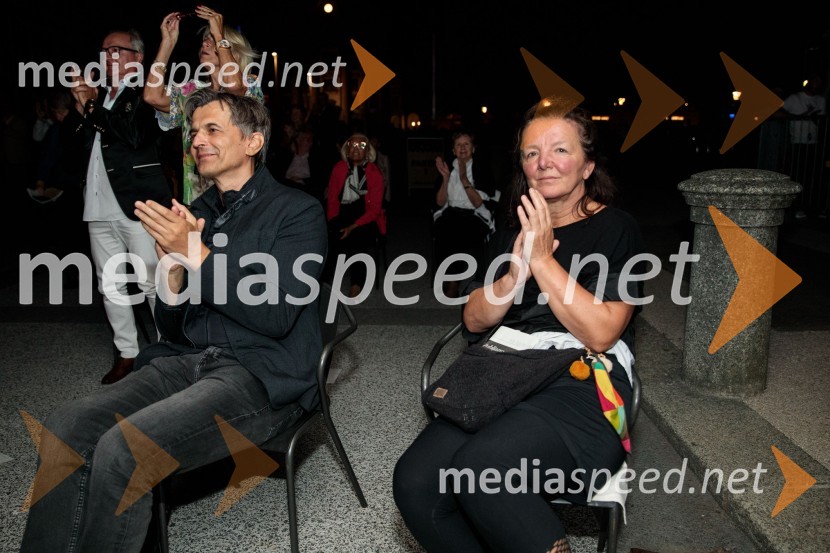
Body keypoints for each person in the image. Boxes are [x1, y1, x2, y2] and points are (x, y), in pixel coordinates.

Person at [20, 89, 327, 553]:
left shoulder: (297, 212)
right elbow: (171, 321)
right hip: (185, 360)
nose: (196, 141)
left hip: (259, 373)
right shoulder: (196, 214)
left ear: (252, 142)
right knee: (67, 426)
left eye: (211, 129)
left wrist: (196, 254)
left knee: (127, 449)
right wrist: (175, 271)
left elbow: (276, 313)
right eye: (193, 131)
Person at [393, 96, 646, 553]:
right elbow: (472, 317)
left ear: (588, 166)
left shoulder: (618, 230)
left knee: (483, 468)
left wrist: (544, 260)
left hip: (582, 380)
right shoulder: (508, 233)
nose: (544, 163)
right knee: (414, 481)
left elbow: (602, 331)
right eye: (531, 153)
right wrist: (514, 273)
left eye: (560, 150)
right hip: (505, 368)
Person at [65, 29, 172, 385]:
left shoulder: (144, 91)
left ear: (137, 57)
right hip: (96, 205)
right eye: (104, 50)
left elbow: (134, 135)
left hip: (139, 203)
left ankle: (168, 351)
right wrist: (81, 106)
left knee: (152, 281)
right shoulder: (99, 92)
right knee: (109, 284)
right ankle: (127, 353)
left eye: (115, 50)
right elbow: (75, 141)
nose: (107, 56)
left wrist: (92, 105)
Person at [143, 5, 263, 205]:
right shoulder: (191, 91)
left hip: (240, 197)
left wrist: (219, 33)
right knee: (195, 238)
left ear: (234, 52)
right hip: (197, 198)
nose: (205, 44)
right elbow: (152, 96)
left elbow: (233, 86)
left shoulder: (249, 84)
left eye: (212, 40)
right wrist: (168, 42)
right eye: (204, 40)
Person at [433, 131, 497, 298]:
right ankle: (445, 277)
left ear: (473, 148)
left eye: (466, 144)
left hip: (475, 215)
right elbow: (440, 202)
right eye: (458, 145)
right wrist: (446, 177)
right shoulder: (448, 168)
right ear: (453, 150)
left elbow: (478, 203)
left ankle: (454, 282)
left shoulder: (481, 169)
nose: (462, 148)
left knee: (459, 230)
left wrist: (463, 177)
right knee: (443, 227)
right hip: (452, 212)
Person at [325, 132, 387, 297]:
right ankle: (323, 283)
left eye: (361, 146)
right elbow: (331, 200)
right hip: (343, 213)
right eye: (352, 145)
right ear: (347, 150)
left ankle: (357, 283)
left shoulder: (374, 173)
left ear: (368, 152)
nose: (356, 149)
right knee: (330, 236)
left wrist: (352, 227)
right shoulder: (339, 169)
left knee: (358, 237)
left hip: (366, 218)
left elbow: (374, 210)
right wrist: (334, 221)